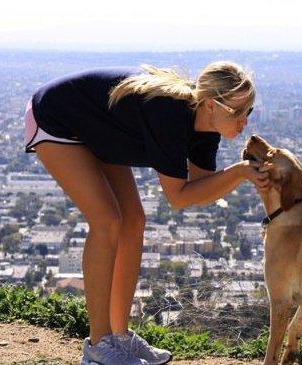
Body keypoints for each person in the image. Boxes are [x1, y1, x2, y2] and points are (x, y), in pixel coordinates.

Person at [24, 61, 270, 365]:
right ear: (210, 105)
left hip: (102, 130)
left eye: (249, 111)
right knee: (107, 221)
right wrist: (240, 172)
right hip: (57, 117)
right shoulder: (171, 115)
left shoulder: (205, 129)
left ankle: (121, 337)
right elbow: (178, 197)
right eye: (237, 112)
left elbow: (201, 190)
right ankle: (98, 346)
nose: (244, 120)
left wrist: (242, 174)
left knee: (134, 221)